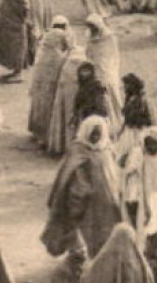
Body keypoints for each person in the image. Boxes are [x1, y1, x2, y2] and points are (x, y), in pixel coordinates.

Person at [41, 111, 125, 259]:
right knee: (88, 239)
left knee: (106, 237)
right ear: (86, 132)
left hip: (107, 206)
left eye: (98, 134)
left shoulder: (107, 149)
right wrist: (78, 202)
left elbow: (116, 173)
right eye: (92, 134)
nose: (95, 138)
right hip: (87, 207)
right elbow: (72, 181)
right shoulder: (77, 152)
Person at [26, 16, 71, 147]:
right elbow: (70, 49)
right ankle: (46, 137)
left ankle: (36, 133)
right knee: (49, 106)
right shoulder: (63, 38)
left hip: (40, 76)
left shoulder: (46, 40)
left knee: (38, 105)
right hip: (51, 80)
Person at [0, 0, 31, 77]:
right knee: (13, 48)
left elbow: (24, 8)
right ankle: (15, 71)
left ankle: (18, 72)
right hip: (11, 25)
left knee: (17, 48)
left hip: (16, 25)